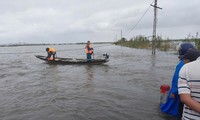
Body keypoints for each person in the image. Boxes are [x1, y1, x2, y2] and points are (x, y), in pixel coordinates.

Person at [160, 43, 195, 119]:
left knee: (171, 108)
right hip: (189, 92)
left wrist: (174, 91)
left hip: (180, 92)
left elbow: (177, 79)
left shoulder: (182, 64)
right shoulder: (193, 63)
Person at [178, 49, 200, 119]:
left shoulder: (186, 68)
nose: (183, 61)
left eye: (184, 59)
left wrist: (173, 91)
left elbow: (185, 99)